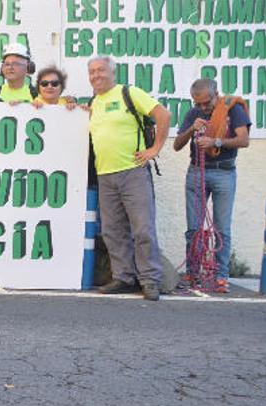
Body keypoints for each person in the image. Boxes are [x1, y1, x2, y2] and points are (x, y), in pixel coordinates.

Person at [88, 56, 171, 301]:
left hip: (132, 173)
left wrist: (154, 149)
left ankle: (150, 280)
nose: (96, 75)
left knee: (143, 228)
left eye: (101, 70)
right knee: (113, 231)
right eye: (92, 72)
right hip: (104, 175)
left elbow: (163, 115)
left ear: (112, 72)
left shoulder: (128, 93)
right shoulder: (93, 103)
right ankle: (123, 278)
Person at [173, 78, 250, 292]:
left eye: (206, 103)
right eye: (198, 103)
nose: (202, 107)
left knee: (221, 228)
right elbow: (177, 145)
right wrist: (191, 130)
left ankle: (220, 276)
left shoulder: (232, 109)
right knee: (194, 229)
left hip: (224, 172)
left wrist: (216, 142)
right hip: (197, 171)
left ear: (217, 94)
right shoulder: (193, 114)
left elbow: (244, 140)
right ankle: (193, 273)